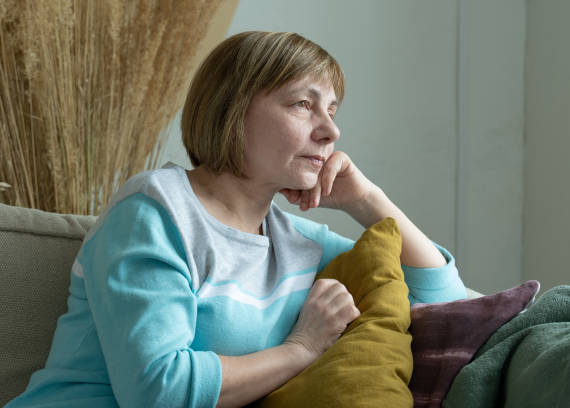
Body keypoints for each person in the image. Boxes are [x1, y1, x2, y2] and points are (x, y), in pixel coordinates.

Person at [7, 31, 466, 408]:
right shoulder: (155, 211)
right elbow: (157, 391)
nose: (330, 130)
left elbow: (439, 297)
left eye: (331, 110)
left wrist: (365, 200)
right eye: (302, 105)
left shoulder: (291, 240)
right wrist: (300, 349)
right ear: (232, 109)